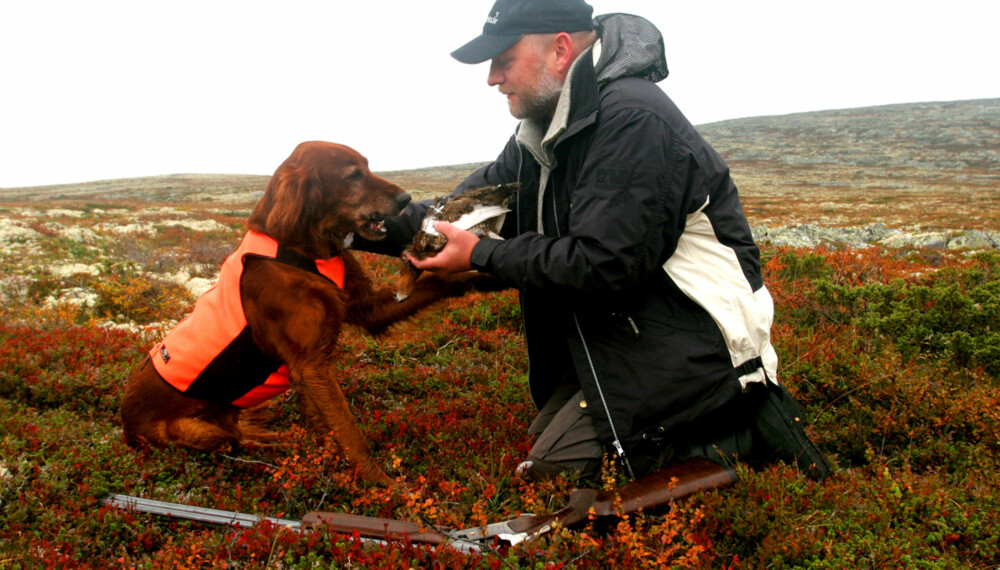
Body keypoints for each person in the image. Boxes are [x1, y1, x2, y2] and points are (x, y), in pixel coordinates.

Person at [370, 0, 832, 483]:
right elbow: (459, 214)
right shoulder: (540, 133)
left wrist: (481, 254)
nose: (492, 78)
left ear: (561, 50)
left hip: (695, 346)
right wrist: (354, 224)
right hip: (622, 336)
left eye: (503, 60)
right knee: (544, 458)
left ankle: (741, 421)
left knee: (554, 476)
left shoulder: (634, 120)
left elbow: (605, 264)